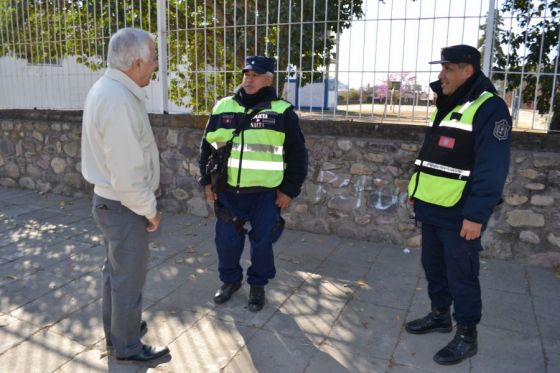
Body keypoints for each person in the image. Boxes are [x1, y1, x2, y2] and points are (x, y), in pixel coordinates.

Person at [405, 45, 511, 365]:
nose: (441, 75)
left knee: (461, 274)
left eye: (448, 69)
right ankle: (440, 316)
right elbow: (435, 153)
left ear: (468, 71)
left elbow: (493, 168)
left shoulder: (489, 108)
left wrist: (476, 216)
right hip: (432, 204)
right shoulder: (450, 102)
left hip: (460, 212)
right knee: (434, 267)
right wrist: (417, 188)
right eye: (442, 68)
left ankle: (467, 334)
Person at [81, 28, 170, 364]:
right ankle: (128, 347)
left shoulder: (109, 89)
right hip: (123, 204)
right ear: (136, 63)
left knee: (115, 275)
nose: (155, 65)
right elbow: (127, 174)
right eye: (153, 59)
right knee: (127, 280)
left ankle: (118, 333)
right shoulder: (117, 100)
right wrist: (150, 211)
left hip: (111, 202)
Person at [198, 56, 308, 312]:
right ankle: (230, 282)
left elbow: (298, 156)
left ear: (268, 79)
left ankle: (257, 285)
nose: (249, 78)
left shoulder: (282, 111)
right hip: (228, 192)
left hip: (265, 195)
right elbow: (206, 147)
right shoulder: (223, 106)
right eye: (246, 73)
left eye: (256, 74)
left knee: (261, 243)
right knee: (226, 241)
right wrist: (205, 181)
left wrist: (289, 190)